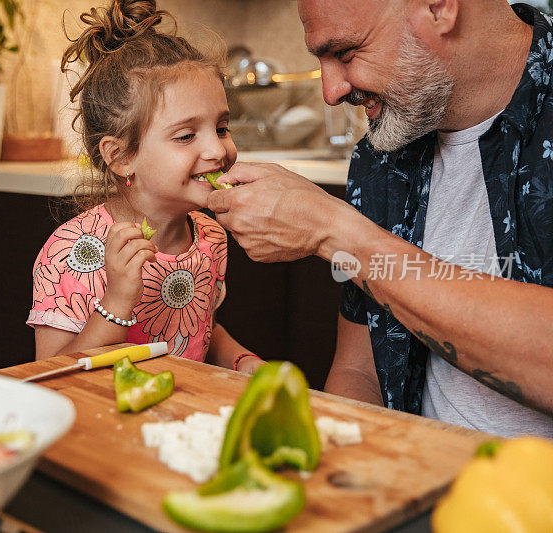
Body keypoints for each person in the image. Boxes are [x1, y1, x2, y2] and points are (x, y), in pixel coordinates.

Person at [206, 0, 553, 437]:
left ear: (439, 7)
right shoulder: (381, 157)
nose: (330, 92)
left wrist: (337, 231)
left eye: (346, 53)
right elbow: (360, 371)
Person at [27, 0, 264, 374]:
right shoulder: (71, 252)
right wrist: (118, 299)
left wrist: (242, 360)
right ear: (122, 157)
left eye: (221, 128)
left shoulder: (211, 239)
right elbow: (49, 374)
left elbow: (200, 329)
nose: (218, 150)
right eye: (186, 135)